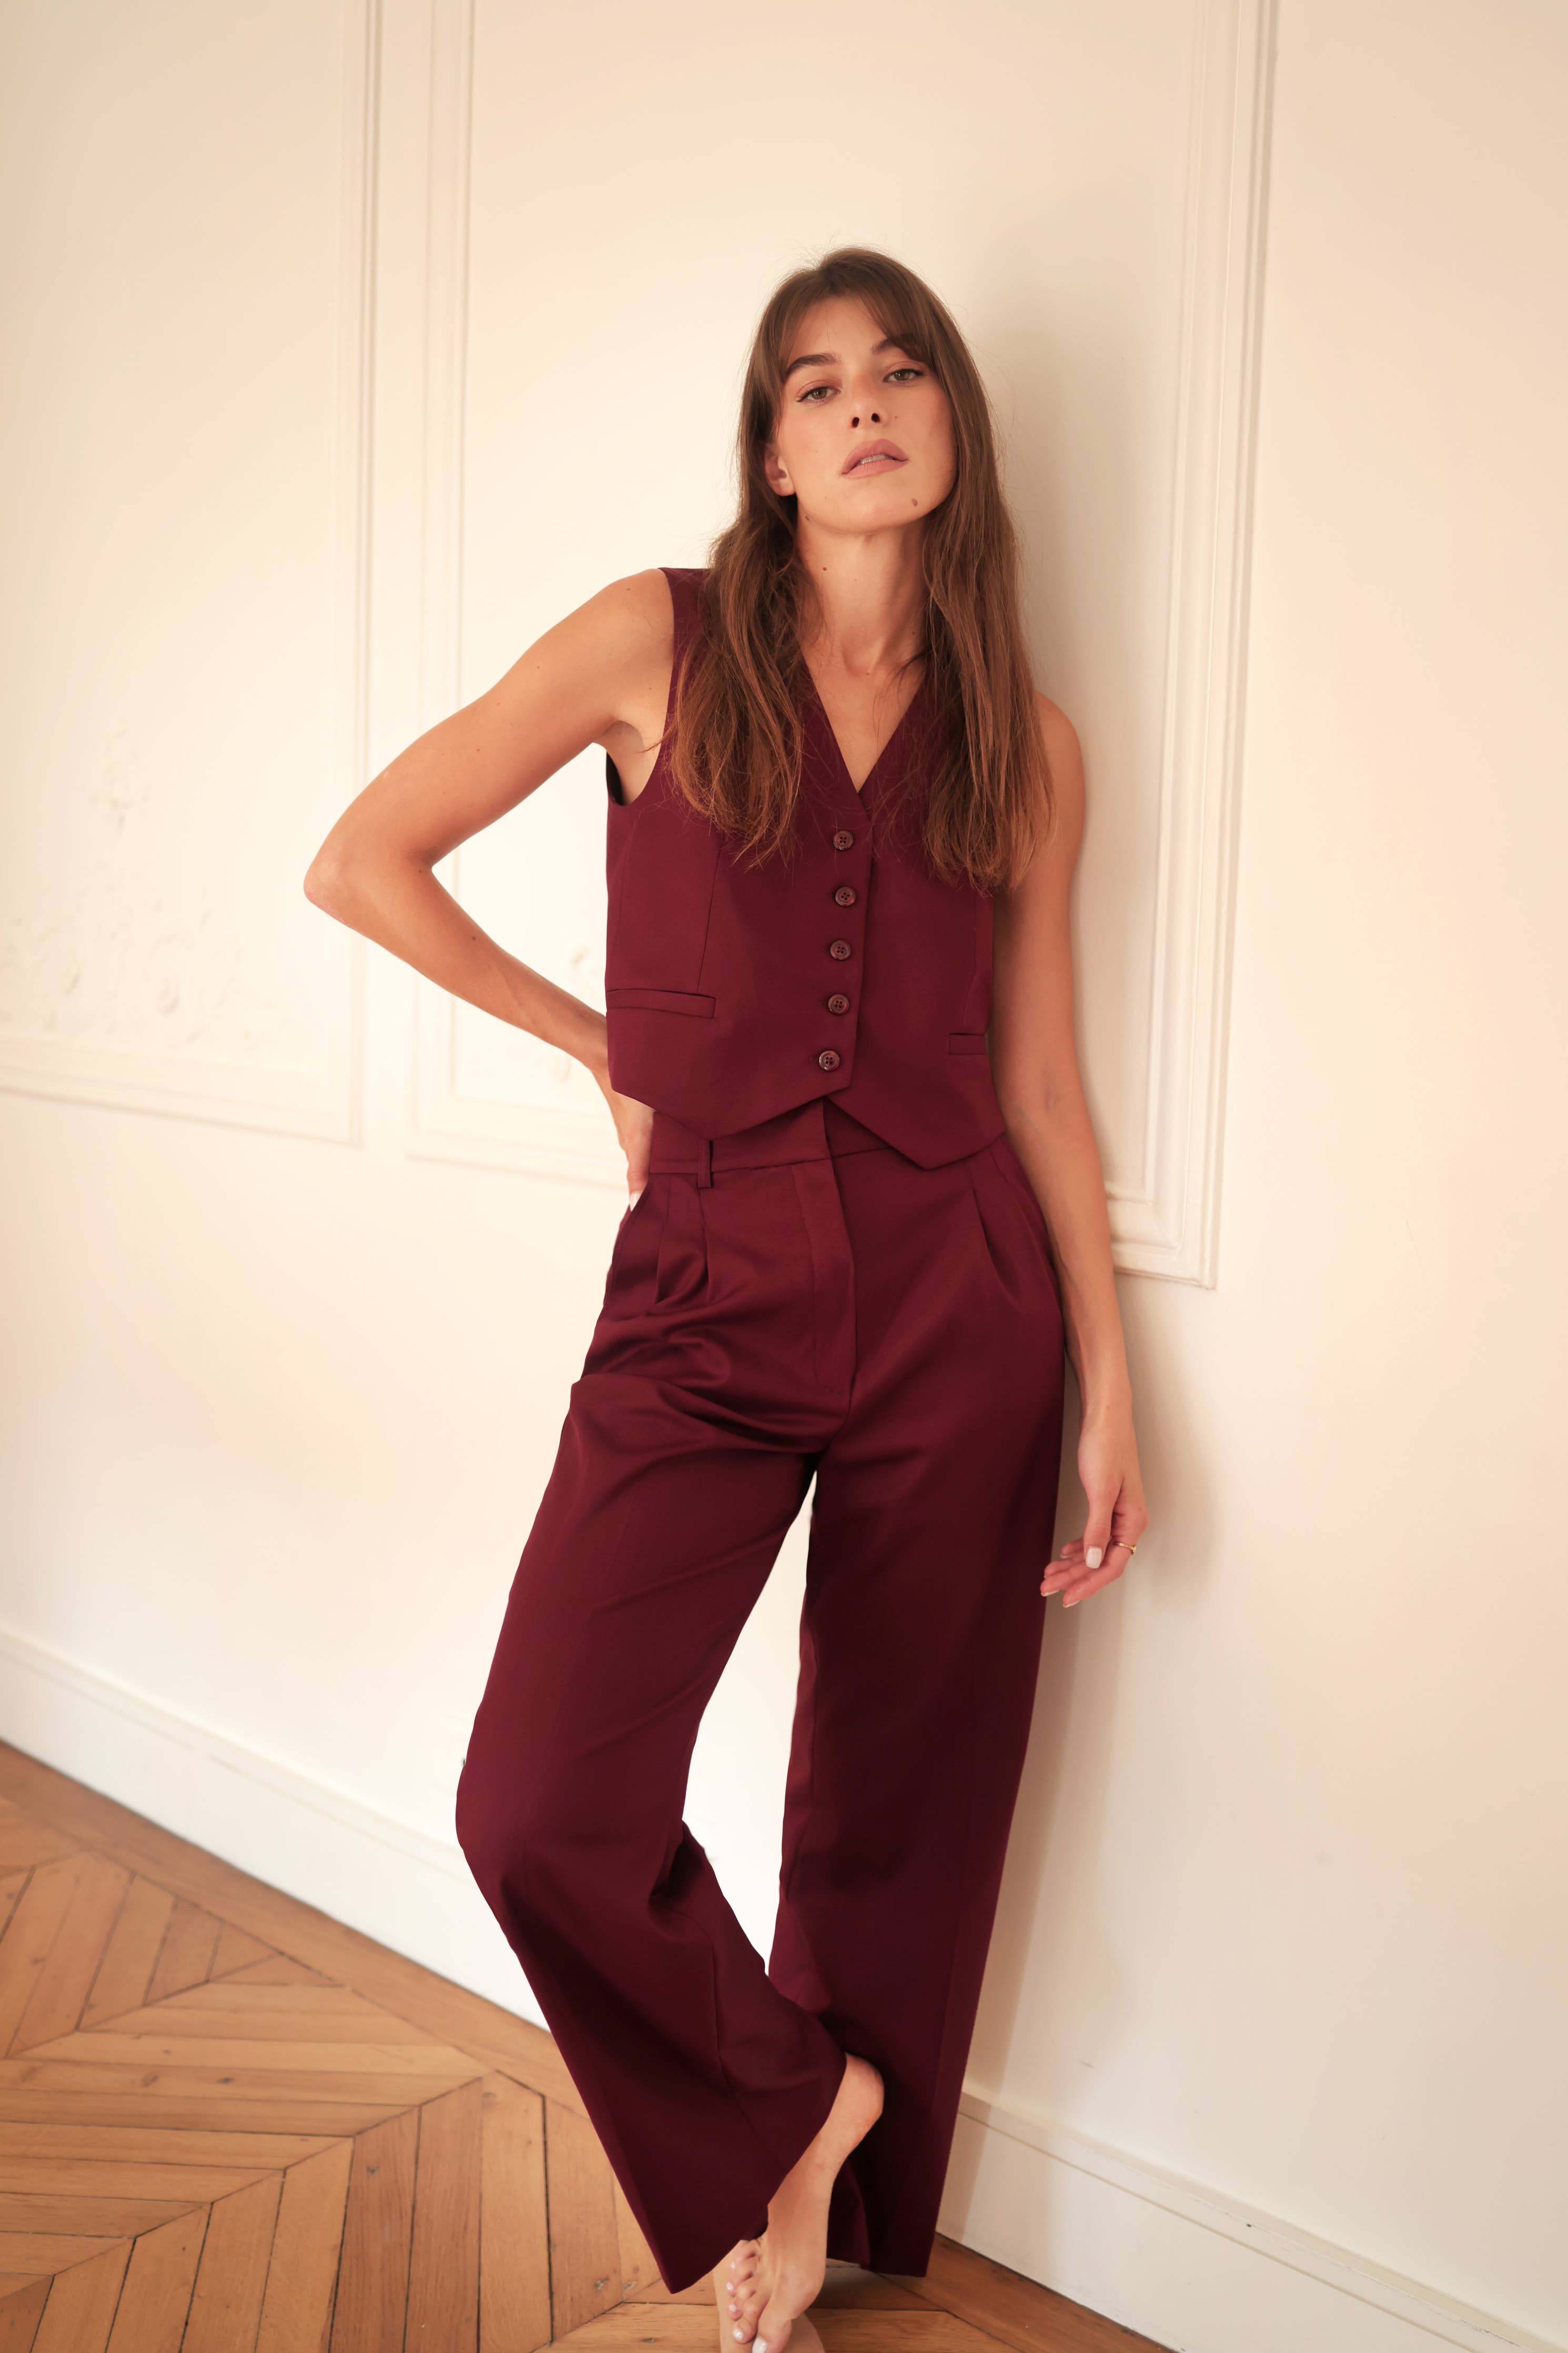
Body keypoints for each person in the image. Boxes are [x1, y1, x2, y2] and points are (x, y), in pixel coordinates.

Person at [304, 245, 1148, 2353]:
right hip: (704, 1271)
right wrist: (600, 1041)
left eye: (899, 372)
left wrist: (1115, 1387)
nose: (861, 404)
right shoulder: (652, 643)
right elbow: (364, 858)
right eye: (813, 383)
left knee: (899, 1796)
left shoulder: (1029, 745)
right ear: (769, 452)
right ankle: (800, 2092)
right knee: (535, 1800)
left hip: (961, 1293)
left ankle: (813, 2194)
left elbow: (1042, 1082)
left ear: (949, 428)